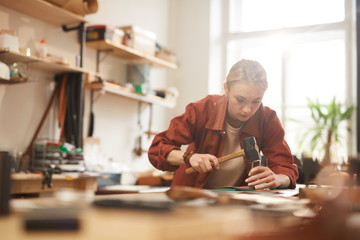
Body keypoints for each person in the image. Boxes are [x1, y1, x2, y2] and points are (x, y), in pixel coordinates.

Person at [148, 59, 298, 189]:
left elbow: (285, 167)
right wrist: (189, 158)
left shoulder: (267, 119)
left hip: (233, 203)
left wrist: (278, 179)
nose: (247, 110)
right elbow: (157, 148)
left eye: (256, 101)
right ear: (226, 89)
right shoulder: (202, 110)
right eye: (240, 99)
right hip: (189, 198)